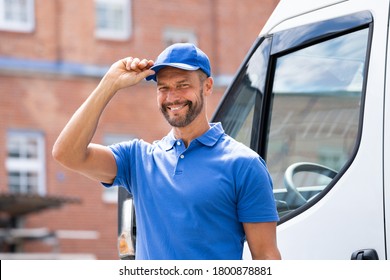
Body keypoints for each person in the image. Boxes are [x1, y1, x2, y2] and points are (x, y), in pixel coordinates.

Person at [52, 43, 281, 260]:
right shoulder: (137, 160)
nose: (172, 97)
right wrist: (109, 84)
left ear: (207, 86)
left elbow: (266, 257)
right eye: (163, 88)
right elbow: (67, 153)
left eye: (183, 85)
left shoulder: (244, 165)